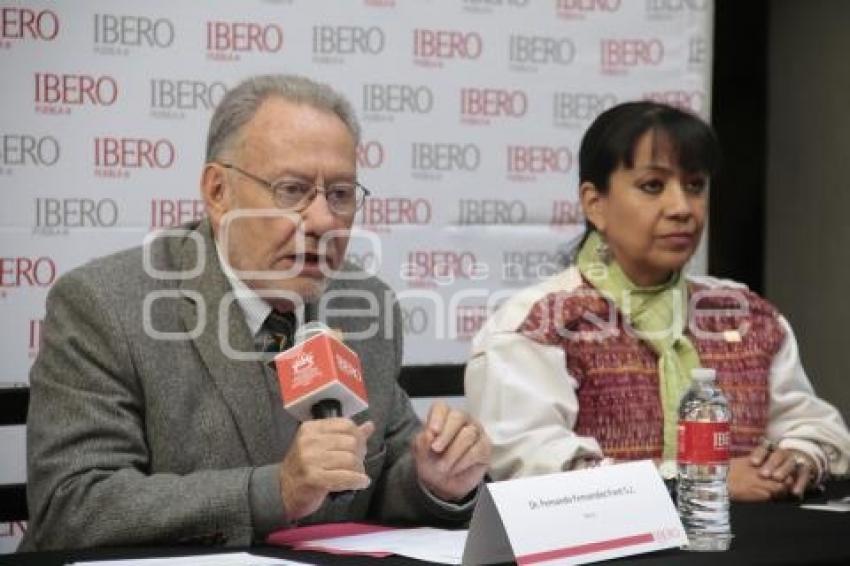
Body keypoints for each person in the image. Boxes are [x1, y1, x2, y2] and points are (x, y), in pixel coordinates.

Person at [22, 74, 491, 551]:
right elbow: (73, 505)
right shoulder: (105, 305)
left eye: (341, 194)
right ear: (219, 192)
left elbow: (381, 472)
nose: (325, 221)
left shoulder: (365, 302)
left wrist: (434, 480)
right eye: (292, 190)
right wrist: (277, 492)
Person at [465, 101, 850, 502]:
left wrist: (797, 457)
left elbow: (818, 428)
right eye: (653, 186)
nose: (682, 208)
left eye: (695, 185)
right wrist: (697, 480)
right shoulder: (540, 322)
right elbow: (532, 468)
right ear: (595, 204)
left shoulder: (746, 315)